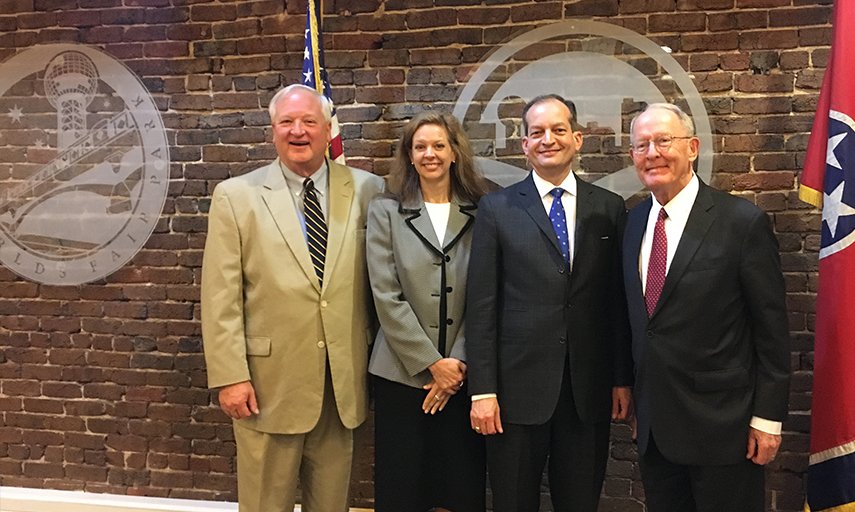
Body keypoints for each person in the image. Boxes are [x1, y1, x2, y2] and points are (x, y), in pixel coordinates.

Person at [201, 83, 383, 512]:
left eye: (308, 122)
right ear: (272, 130)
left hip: (342, 386)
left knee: (332, 504)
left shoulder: (368, 190)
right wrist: (230, 376)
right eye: (287, 122)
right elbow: (220, 296)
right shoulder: (236, 197)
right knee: (266, 504)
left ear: (327, 129)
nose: (297, 131)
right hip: (266, 387)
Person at [466, 94, 633, 512]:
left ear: (577, 139)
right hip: (514, 394)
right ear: (523, 144)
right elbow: (482, 305)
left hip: (587, 391)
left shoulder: (609, 209)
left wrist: (621, 378)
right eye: (537, 132)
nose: (548, 140)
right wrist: (482, 390)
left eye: (558, 130)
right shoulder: (496, 208)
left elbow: (617, 305)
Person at [622, 103, 791, 511]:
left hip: (725, 427)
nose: (652, 153)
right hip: (656, 428)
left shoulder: (741, 222)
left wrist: (767, 420)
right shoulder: (633, 221)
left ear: (693, 147)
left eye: (664, 141)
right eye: (641, 144)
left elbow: (771, 331)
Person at [366, 110, 489, 512]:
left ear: (455, 152)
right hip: (402, 375)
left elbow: (487, 295)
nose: (430, 154)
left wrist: (456, 363)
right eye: (420, 147)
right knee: (402, 489)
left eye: (439, 145)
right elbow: (386, 295)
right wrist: (431, 364)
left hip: (463, 375)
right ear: (409, 155)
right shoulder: (385, 211)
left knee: (460, 487)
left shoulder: (484, 210)